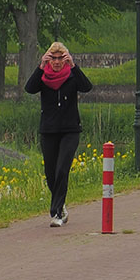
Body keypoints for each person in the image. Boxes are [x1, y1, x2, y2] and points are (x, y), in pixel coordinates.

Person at [24, 41, 93, 227]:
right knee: (50, 172)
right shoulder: (44, 76)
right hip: (49, 129)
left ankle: (56, 212)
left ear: (65, 59)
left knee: (63, 168)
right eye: (52, 58)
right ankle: (61, 206)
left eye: (60, 58)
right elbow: (29, 88)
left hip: (70, 129)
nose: (56, 62)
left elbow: (87, 87)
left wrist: (74, 66)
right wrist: (40, 67)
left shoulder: (71, 75)